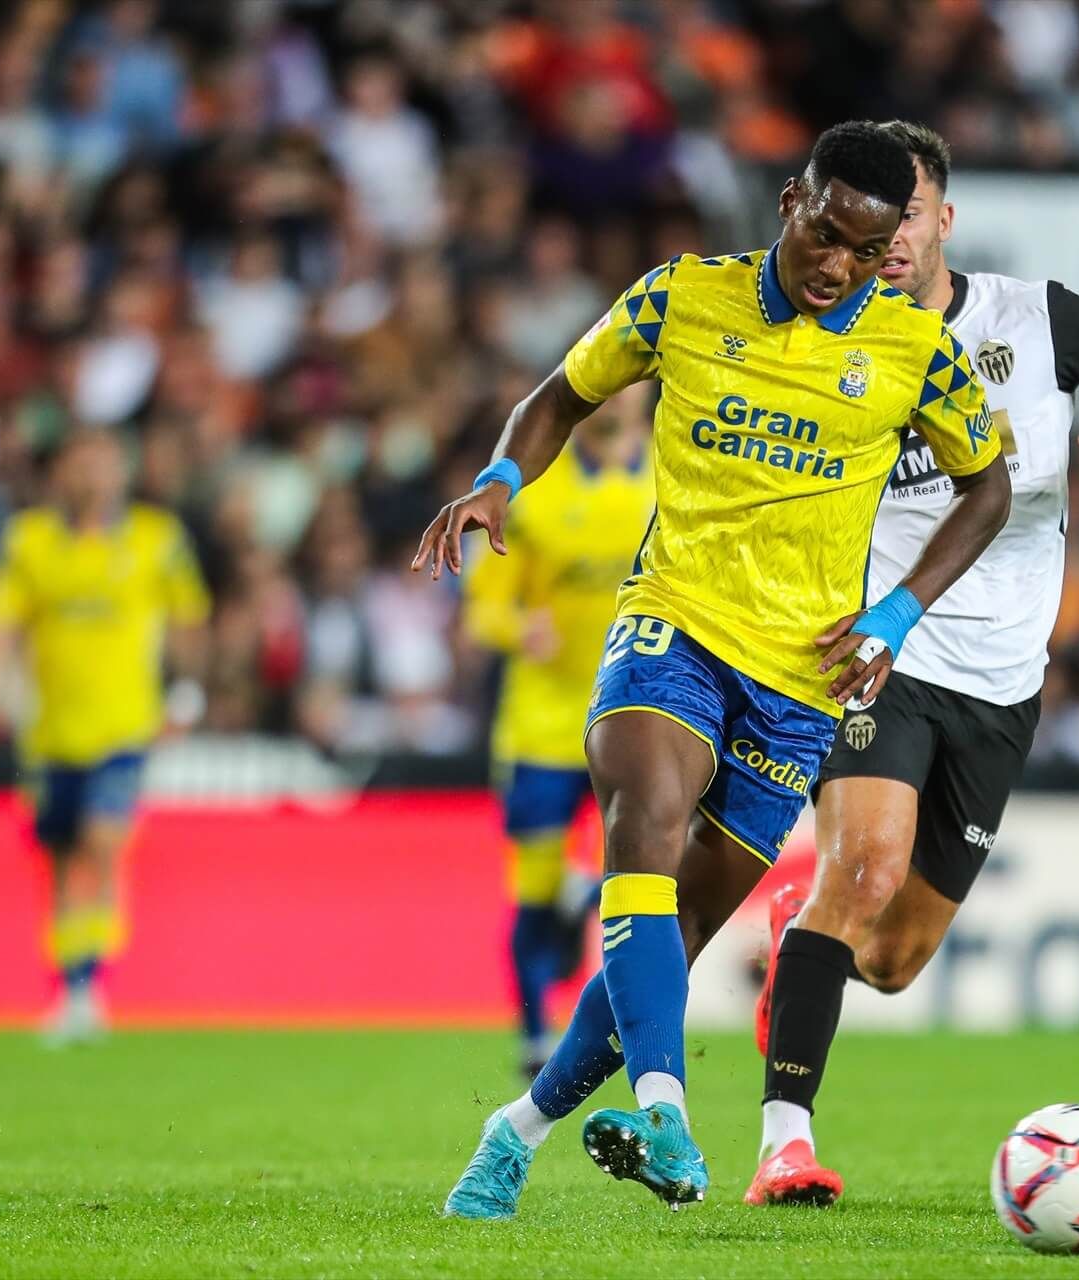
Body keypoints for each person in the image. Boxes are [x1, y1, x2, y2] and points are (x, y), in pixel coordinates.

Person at [424, 121, 1009, 1219]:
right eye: (824, 231)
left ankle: (515, 1131)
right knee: (642, 817)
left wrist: (897, 611)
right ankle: (669, 1114)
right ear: (791, 200)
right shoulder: (684, 296)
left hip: (802, 676)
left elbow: (990, 487)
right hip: (677, 619)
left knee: (681, 928)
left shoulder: (915, 348)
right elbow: (559, 396)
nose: (836, 263)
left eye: (866, 250)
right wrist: (501, 478)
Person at [748, 122, 1079, 1207]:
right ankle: (784, 1145)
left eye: (908, 216)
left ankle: (799, 927)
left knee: (893, 957)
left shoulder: (1039, 320)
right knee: (864, 872)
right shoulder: (830, 339)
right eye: (874, 223)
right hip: (883, 650)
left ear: (943, 220)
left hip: (1006, 683)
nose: (890, 240)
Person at [0, 429, 209, 1043]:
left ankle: (88, 986)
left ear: (122, 472)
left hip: (125, 727)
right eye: (82, 464)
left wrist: (188, 692)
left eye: (104, 464)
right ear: (62, 474)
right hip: (50, 733)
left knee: (102, 842)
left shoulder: (156, 539)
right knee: (58, 858)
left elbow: (190, 620)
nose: (94, 476)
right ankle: (71, 983)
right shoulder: (28, 542)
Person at [461, 388, 654, 1079]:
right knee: (533, 891)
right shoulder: (533, 495)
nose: (616, 394)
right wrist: (521, 628)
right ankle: (533, 1035)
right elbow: (482, 611)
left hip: (636, 716)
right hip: (542, 726)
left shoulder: (674, 477)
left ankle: (588, 902)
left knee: (641, 871)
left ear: (647, 389)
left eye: (631, 380)